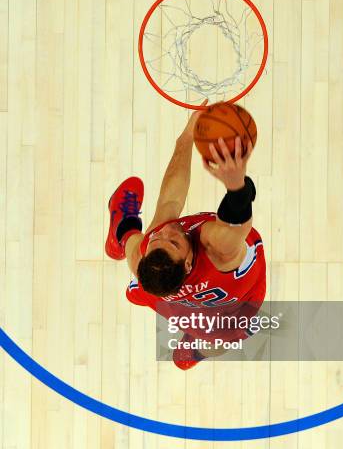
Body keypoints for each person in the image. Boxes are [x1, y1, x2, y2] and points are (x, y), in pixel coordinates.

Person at [105, 103, 266, 370]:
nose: (166, 231)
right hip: (227, 315)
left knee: (135, 252)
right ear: (190, 262)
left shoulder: (145, 257)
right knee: (221, 339)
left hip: (170, 300)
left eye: (158, 239)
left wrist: (188, 134)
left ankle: (120, 233)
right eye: (173, 241)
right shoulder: (218, 254)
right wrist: (237, 185)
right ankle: (195, 354)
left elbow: (170, 201)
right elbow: (235, 223)